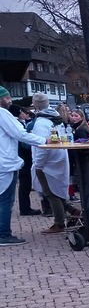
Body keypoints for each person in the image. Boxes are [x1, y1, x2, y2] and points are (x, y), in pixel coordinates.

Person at [0, 87, 48, 245]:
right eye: (6, 98)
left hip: (4, 161)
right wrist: (44, 141)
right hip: (5, 163)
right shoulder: (2, 113)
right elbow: (19, 134)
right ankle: (3, 234)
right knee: (5, 199)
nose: (10, 101)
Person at [30, 96, 80, 233]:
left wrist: (38, 164)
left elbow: (43, 146)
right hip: (59, 157)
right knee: (57, 190)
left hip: (47, 162)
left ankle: (59, 223)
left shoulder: (41, 123)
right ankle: (73, 210)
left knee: (50, 193)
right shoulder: (56, 118)